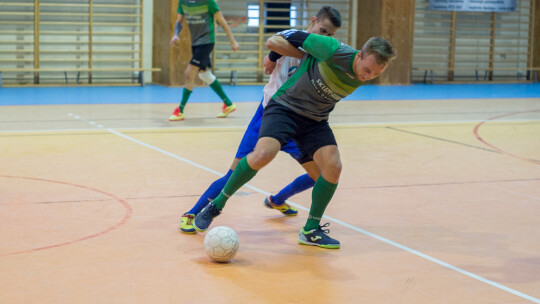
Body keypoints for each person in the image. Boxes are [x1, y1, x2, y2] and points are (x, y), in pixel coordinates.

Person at [193, 32, 397, 249]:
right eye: (367, 70)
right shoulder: (331, 49)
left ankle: (310, 230)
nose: (367, 77)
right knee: (263, 154)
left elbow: (359, 74)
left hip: (315, 121)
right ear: (358, 56)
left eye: (375, 74)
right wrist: (275, 56)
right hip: (285, 108)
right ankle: (216, 205)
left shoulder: (365, 73)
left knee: (333, 166)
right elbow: (284, 37)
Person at [179, 6, 343, 234]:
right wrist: (274, 55)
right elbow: (274, 43)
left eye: (329, 35)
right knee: (235, 172)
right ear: (313, 21)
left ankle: (277, 199)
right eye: (322, 30)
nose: (324, 37)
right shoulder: (293, 35)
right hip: (269, 115)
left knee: (322, 176)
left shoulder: (324, 51)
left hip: (299, 124)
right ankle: (193, 213)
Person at [169, 0, 240, 121]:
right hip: (195, 43)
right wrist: (176, 34)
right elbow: (179, 21)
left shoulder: (208, 2)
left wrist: (232, 40)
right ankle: (228, 104)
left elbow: (221, 21)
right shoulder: (183, 2)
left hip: (206, 42)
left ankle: (180, 110)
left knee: (189, 73)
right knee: (204, 75)